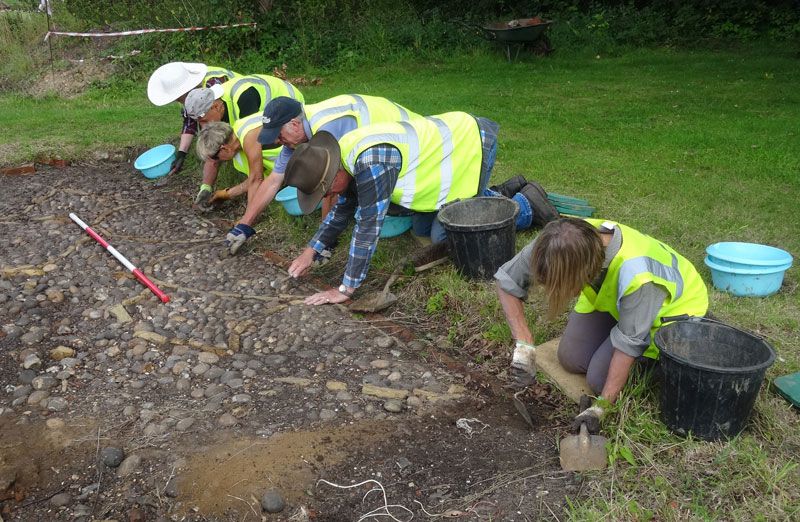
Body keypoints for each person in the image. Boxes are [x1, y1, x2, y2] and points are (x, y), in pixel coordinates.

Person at [284, 111, 557, 306]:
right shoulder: (344, 156)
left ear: (332, 171)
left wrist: (346, 288)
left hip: (470, 144)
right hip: (442, 161)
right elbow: (344, 209)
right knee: (423, 228)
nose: (329, 195)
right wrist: (311, 251)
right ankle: (500, 192)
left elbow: (369, 224)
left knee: (450, 235)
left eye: (326, 189)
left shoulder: (372, 162)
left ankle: (526, 204)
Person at [494, 217, 709, 433]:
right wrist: (525, 345)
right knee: (570, 357)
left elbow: (628, 345)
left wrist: (601, 408)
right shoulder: (557, 242)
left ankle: (659, 365)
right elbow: (507, 281)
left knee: (599, 380)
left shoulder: (639, 275)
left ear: (584, 274)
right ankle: (618, 327)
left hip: (669, 312)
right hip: (620, 301)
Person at [220, 94, 424, 255]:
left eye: (279, 135)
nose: (278, 142)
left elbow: (333, 185)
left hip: (411, 139)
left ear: (294, 124)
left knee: (376, 192)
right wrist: (244, 226)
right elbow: (274, 180)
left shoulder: (329, 129)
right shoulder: (296, 137)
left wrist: (322, 243)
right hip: (382, 144)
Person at [183, 74, 304, 208]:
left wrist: (246, 220)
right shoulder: (212, 110)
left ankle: (281, 180)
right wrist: (207, 188)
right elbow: (215, 151)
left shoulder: (244, 98)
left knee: (249, 152)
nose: (204, 126)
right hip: (267, 121)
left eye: (204, 121)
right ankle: (276, 179)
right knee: (241, 153)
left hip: (291, 106)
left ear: (216, 107)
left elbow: (255, 177)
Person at [147, 62, 239, 177]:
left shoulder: (213, 85)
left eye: (179, 98)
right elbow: (190, 119)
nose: (178, 101)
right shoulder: (193, 94)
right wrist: (182, 153)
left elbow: (217, 119)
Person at [195, 121, 282, 206]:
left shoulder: (248, 137)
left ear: (224, 149)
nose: (217, 160)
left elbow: (256, 180)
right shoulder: (238, 131)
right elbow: (253, 179)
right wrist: (226, 194)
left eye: (215, 157)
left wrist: (247, 218)